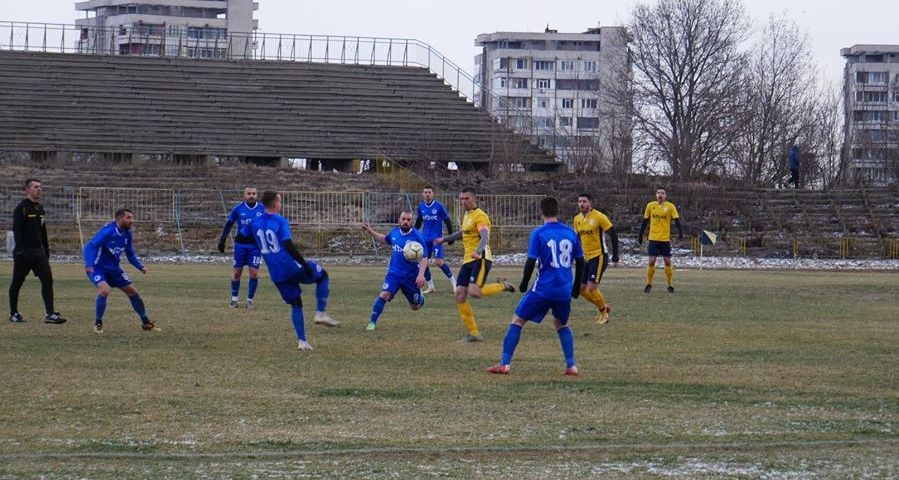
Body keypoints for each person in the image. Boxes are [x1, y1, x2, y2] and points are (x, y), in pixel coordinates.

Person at [487, 196, 585, 376]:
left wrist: (524, 285)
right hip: (564, 289)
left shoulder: (539, 233)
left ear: (541, 212)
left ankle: (505, 364)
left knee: (517, 320)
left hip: (543, 289)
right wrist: (576, 287)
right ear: (558, 211)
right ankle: (571, 366)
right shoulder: (571, 233)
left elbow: (531, 261)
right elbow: (581, 261)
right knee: (561, 324)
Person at [239, 190, 339, 351]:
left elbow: (240, 238)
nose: (281, 204)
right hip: (290, 266)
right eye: (279, 201)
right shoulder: (280, 221)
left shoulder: (254, 223)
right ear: (274, 204)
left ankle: (302, 341)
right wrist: (304, 265)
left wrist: (258, 242)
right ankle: (320, 313)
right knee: (323, 275)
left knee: (296, 303)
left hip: (276, 273)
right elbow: (288, 245)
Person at [434, 187, 515, 342]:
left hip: (481, 259)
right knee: (459, 295)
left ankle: (503, 285)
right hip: (468, 260)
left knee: (474, 292)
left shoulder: (481, 217)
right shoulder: (466, 215)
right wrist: (444, 239)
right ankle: (474, 333)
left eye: (466, 199)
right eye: (461, 199)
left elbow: (484, 236)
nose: (463, 201)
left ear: (474, 198)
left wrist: (478, 251)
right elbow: (464, 233)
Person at [84, 208, 159, 333]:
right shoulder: (108, 232)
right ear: (119, 219)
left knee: (133, 292)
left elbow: (130, 254)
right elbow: (91, 246)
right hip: (98, 267)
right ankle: (98, 323)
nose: (132, 220)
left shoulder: (127, 233)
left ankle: (145, 322)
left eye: (132, 217)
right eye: (128, 218)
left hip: (114, 269)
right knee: (104, 291)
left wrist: (140, 267)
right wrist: (89, 264)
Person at [8, 178, 67, 324]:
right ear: (27, 190)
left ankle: (50, 313)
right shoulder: (21, 208)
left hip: (38, 252)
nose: (39, 189)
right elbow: (17, 230)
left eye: (40, 187)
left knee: (47, 280)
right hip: (24, 252)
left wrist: (46, 250)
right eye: (35, 187)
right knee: (17, 282)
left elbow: (43, 231)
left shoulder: (40, 208)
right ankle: (13, 313)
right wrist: (19, 250)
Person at [361, 211, 429, 331]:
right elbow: (385, 239)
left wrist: (421, 275)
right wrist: (372, 233)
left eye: (408, 220)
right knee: (384, 294)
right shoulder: (395, 232)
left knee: (415, 307)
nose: (405, 222)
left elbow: (424, 257)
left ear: (412, 222)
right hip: (394, 274)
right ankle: (372, 323)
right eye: (403, 219)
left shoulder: (417, 236)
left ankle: (420, 298)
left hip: (411, 277)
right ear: (399, 220)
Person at [573, 193, 619, 324]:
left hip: (599, 256)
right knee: (581, 289)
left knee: (592, 287)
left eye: (584, 201)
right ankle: (603, 306)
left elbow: (613, 235)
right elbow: (577, 240)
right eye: (579, 201)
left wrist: (615, 255)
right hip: (585, 258)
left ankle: (604, 314)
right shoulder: (577, 219)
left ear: (590, 203)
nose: (581, 204)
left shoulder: (599, 217)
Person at [218, 187, 264, 308]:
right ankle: (234, 300)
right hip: (240, 246)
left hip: (255, 246)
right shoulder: (238, 209)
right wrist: (222, 240)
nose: (251, 196)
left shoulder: (262, 209)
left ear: (256, 195)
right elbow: (229, 224)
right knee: (237, 272)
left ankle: (249, 301)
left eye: (254, 193)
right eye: (249, 194)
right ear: (244, 196)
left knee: (254, 273)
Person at [637, 187, 683, 293]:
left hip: (665, 239)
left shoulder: (670, 207)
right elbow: (645, 221)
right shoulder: (650, 206)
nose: (660, 195)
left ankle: (670, 285)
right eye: (658, 193)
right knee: (652, 261)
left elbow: (677, 221)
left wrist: (680, 233)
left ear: (665, 196)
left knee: (667, 262)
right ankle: (649, 283)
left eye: (662, 193)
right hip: (653, 238)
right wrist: (640, 234)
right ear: (656, 195)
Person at [414, 185, 456, 293]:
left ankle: (454, 284)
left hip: (437, 240)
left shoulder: (438, 206)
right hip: (424, 240)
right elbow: (418, 222)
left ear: (433, 194)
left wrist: (450, 237)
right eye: (425, 192)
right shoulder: (421, 207)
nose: (427, 194)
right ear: (422, 194)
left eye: (429, 192)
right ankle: (431, 286)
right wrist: (412, 234)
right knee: (423, 263)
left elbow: (448, 221)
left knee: (439, 262)